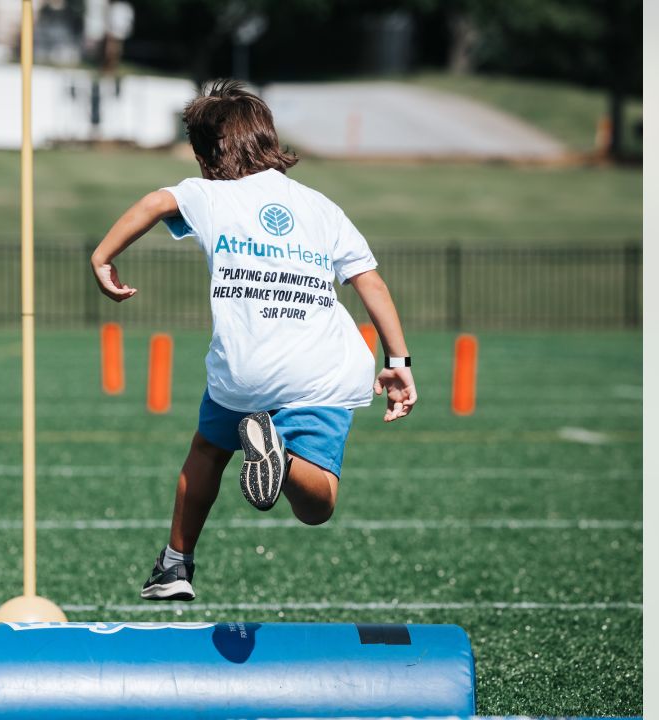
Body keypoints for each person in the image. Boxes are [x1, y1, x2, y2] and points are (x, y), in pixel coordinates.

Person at [90, 79, 417, 602]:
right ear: (267, 140)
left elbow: (155, 202)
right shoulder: (320, 207)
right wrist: (397, 360)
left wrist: (102, 257)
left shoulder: (209, 195)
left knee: (207, 449)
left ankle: (175, 565)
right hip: (322, 367)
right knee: (317, 506)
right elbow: (369, 281)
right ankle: (281, 459)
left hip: (244, 369)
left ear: (205, 152)